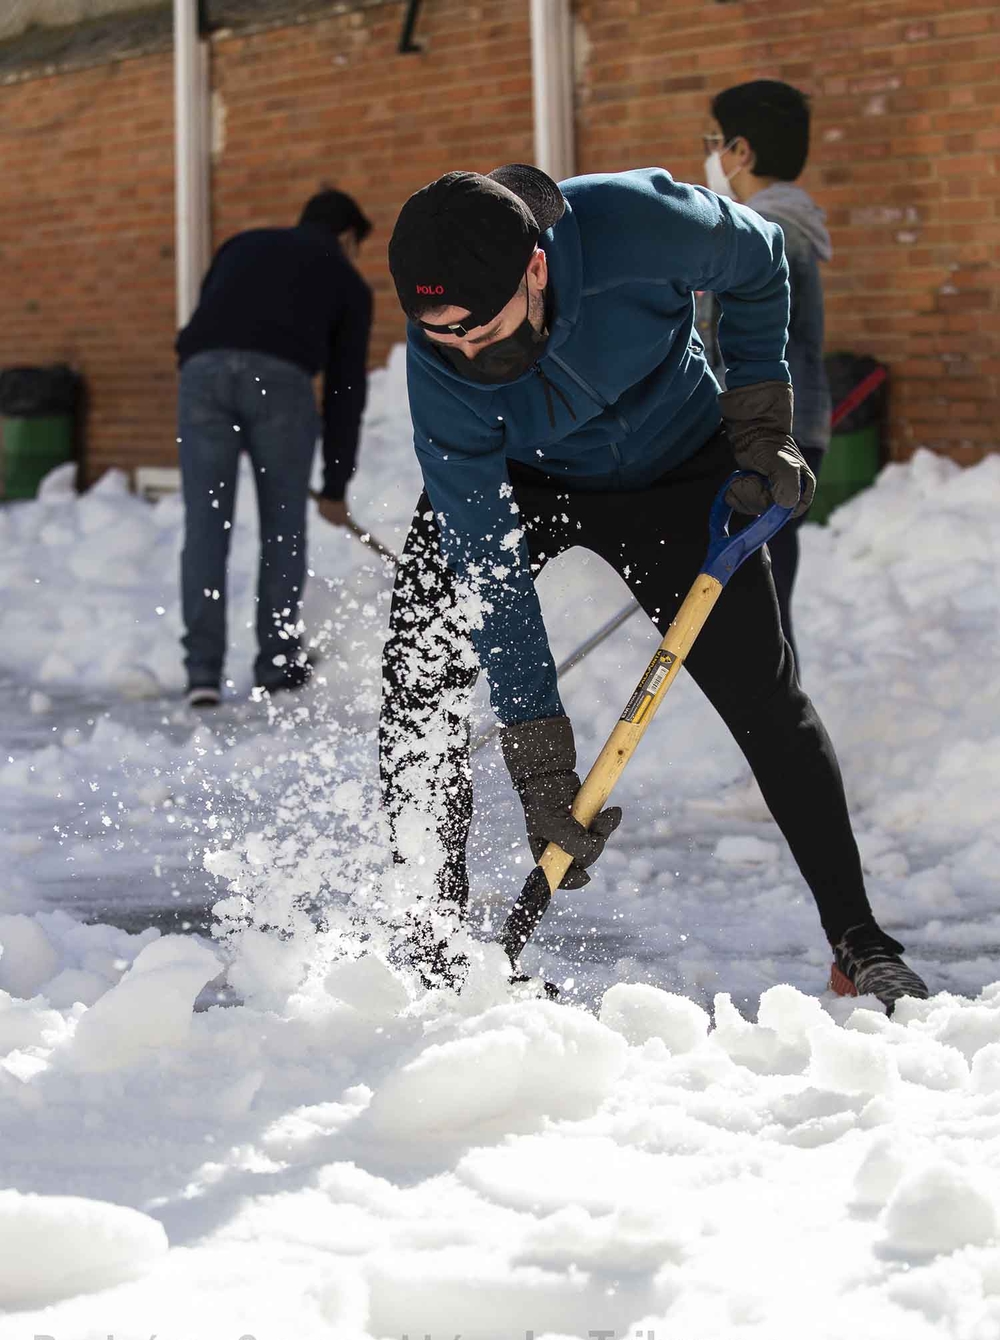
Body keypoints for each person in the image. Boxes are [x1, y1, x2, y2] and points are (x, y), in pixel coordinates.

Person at [380, 163, 928, 1014]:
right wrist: (539, 758)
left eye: (479, 331)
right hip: (523, 479)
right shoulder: (441, 371)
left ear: (536, 267)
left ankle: (861, 942)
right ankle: (434, 946)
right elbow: (487, 564)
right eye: (439, 335)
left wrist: (759, 421)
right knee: (418, 672)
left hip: (677, 462)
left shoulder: (639, 223)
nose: (465, 355)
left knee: (764, 695)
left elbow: (759, 261)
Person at [175, 189, 373, 706]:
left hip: (202, 373)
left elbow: (208, 317)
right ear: (348, 237)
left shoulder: (242, 245)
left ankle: (202, 673)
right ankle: (277, 664)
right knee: (282, 528)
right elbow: (344, 390)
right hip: (280, 385)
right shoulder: (347, 281)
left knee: (206, 524)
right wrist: (334, 485)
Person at [699, 79, 832, 672]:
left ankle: (785, 752)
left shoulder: (752, 232)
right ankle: (782, 747)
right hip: (799, 428)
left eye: (715, 143)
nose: (713, 156)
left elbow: (712, 340)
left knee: (761, 611)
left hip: (764, 433)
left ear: (742, 151)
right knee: (768, 601)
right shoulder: (793, 226)